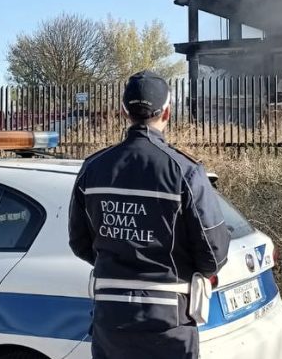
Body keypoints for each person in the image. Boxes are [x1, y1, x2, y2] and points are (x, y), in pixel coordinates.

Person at [68, 70, 231, 359]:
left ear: (123, 112)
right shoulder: (185, 171)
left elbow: (80, 242)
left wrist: (121, 262)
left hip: (111, 318)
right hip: (168, 321)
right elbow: (213, 254)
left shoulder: (93, 168)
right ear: (167, 112)